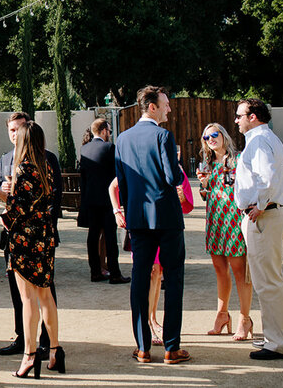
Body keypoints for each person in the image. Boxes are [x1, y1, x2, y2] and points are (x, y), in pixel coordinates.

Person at [114, 86, 189, 364]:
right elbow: (172, 177)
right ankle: (171, 347)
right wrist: (178, 170)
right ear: (152, 107)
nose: (169, 108)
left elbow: (121, 182)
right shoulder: (163, 136)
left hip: (137, 218)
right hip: (167, 218)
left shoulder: (122, 139)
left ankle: (143, 346)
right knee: (174, 279)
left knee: (139, 279)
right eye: (166, 104)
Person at [0, 122, 63, 379]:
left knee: (28, 298)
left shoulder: (24, 168)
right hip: (44, 235)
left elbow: (19, 206)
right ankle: (54, 351)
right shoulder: (46, 167)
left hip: (25, 239)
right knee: (46, 296)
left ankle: (29, 355)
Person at [233, 98, 283, 360]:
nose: (236, 120)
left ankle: (278, 343)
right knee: (270, 281)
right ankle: (276, 337)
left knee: (267, 282)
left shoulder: (258, 141)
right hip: (270, 215)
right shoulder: (267, 138)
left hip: (265, 217)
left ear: (253, 116)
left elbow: (265, 178)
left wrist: (258, 206)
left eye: (239, 115)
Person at [195, 122, 252, 340]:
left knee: (240, 271)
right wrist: (204, 184)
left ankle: (245, 319)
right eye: (207, 137)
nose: (211, 140)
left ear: (223, 135)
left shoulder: (238, 159)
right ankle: (222, 315)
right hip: (216, 220)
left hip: (234, 219)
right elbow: (206, 194)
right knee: (220, 269)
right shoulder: (207, 163)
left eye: (214, 135)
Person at [77, 119, 129, 284]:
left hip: (90, 200)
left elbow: (84, 177)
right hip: (107, 200)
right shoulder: (109, 148)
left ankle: (95, 271)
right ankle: (114, 273)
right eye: (109, 131)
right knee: (110, 237)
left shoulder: (84, 149)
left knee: (92, 236)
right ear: (104, 131)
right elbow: (117, 173)